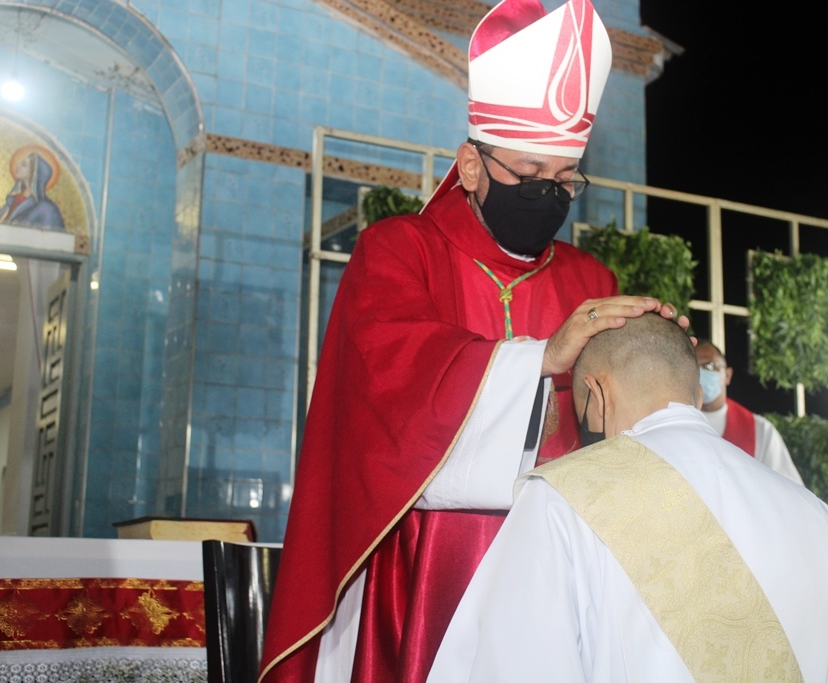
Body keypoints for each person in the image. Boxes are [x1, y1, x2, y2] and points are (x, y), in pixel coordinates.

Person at [259, 1, 686, 681]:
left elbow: (615, 440)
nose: (547, 196)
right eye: (527, 175)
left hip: (558, 575)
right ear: (470, 165)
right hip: (425, 570)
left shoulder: (588, 279)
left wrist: (662, 364)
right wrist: (541, 360)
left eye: (565, 183)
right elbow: (386, 390)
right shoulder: (399, 251)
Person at [427, 314, 828, 681]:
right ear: (694, 388)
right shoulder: (821, 521)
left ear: (596, 393)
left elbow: (513, 667)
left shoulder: (564, 499)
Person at [694, 340, 803, 484]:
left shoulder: (760, 431)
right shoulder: (671, 424)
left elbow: (789, 492)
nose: (702, 373)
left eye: (710, 366)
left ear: (727, 375)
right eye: (695, 367)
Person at [0, 148, 66, 231]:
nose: (18, 166)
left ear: (33, 173)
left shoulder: (46, 208)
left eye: (24, 165)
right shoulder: (13, 199)